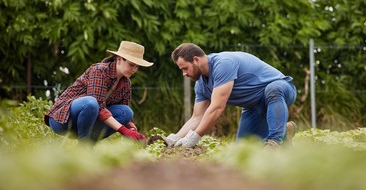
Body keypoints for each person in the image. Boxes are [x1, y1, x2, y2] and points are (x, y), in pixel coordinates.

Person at [165, 42, 297, 148]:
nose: (184, 74)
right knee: (243, 148)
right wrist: (175, 138)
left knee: (272, 89)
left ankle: (275, 140)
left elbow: (217, 107)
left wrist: (195, 137)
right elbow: (197, 117)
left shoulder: (223, 64)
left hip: (282, 89)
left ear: (196, 60)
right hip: (254, 106)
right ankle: (284, 132)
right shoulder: (201, 84)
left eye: (185, 68)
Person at [44, 41, 153, 143]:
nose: (134, 70)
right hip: (63, 120)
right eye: (131, 65)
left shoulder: (126, 83)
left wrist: (132, 130)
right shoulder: (99, 71)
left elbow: (123, 111)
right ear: (119, 59)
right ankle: (83, 146)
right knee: (91, 103)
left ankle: (89, 145)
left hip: (87, 123)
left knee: (127, 112)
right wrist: (123, 130)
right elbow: (98, 107)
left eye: (137, 66)